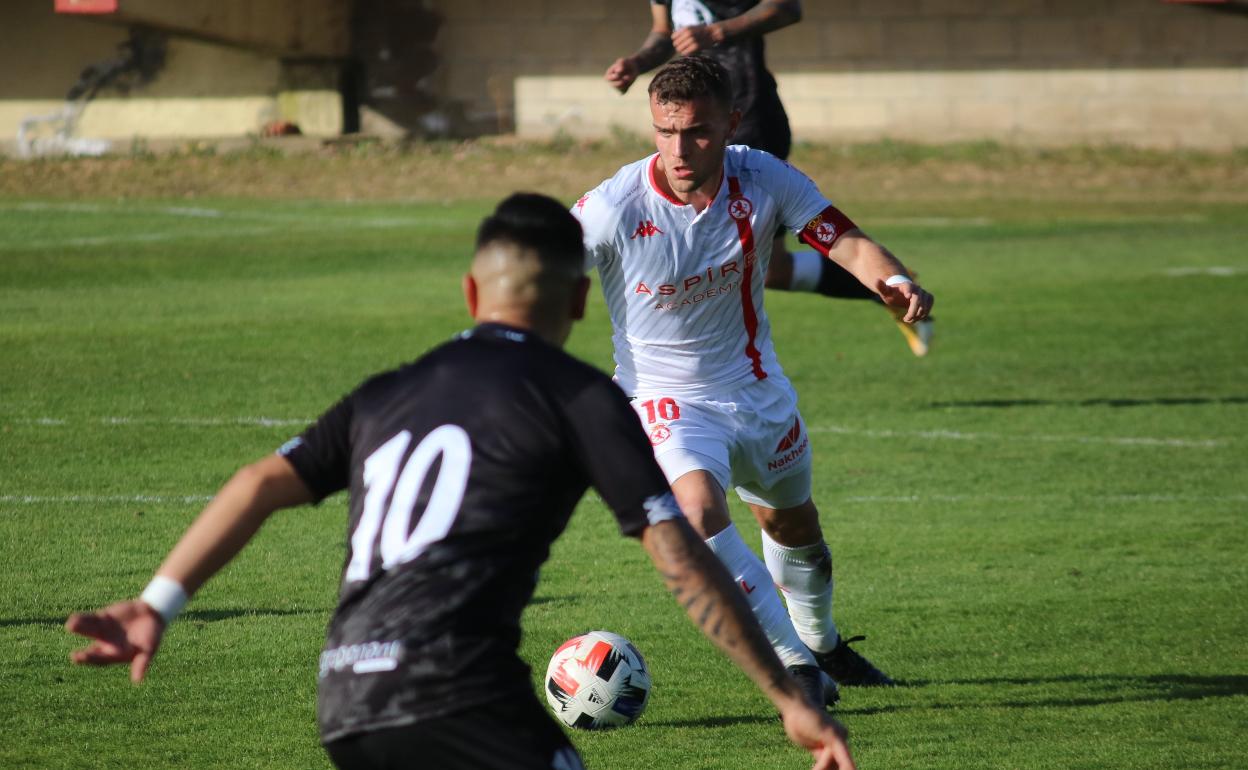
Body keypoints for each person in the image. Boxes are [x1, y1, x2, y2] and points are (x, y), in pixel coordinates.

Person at [65, 193, 857, 770]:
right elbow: (680, 556)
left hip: (346, 702)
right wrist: (788, 695)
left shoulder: (387, 391)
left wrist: (157, 603)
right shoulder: (580, 397)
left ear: (472, 294)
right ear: (582, 300)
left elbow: (256, 482)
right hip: (458, 691)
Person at [574, 56, 934, 707]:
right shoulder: (611, 207)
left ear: (731, 123)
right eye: (665, 131)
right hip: (665, 400)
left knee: (797, 531)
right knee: (698, 511)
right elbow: (541, 274)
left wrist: (896, 282)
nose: (680, 149)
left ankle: (822, 643)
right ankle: (797, 666)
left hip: (758, 394)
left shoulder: (762, 177)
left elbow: (845, 243)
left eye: (699, 132)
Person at [604, 0, 934, 356]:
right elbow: (665, 33)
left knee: (751, 260)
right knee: (772, 270)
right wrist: (637, 63)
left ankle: (884, 281)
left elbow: (787, 8)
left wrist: (718, 31)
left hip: (749, 113)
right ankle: (882, 284)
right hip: (696, 116)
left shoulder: (752, 158)